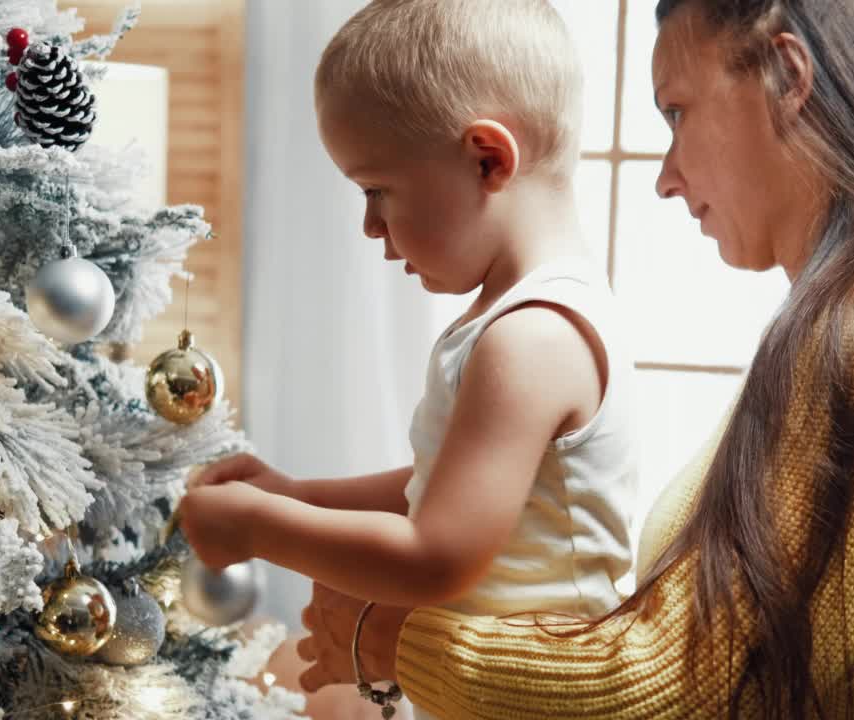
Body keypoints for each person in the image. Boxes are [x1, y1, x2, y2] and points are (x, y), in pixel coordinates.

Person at [292, 1, 854, 718]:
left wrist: (402, 644)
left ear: (786, 74)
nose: (667, 178)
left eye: (677, 110)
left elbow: (685, 683)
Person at [179, 0, 638, 714]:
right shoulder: (515, 320)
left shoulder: (533, 337)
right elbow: (438, 484)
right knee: (315, 696)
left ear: (488, 159)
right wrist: (295, 495)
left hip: (530, 701)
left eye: (377, 191)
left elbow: (436, 554)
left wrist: (257, 527)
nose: (369, 225)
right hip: (470, 691)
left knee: (310, 695)